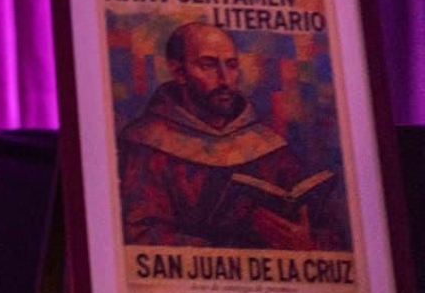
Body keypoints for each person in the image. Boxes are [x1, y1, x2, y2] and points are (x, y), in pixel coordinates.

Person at [118, 22, 347, 251]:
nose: (225, 80)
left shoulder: (266, 145)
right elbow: (140, 237)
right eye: (208, 65)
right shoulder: (145, 144)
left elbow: (333, 235)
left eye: (232, 65)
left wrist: (306, 243)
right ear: (179, 72)